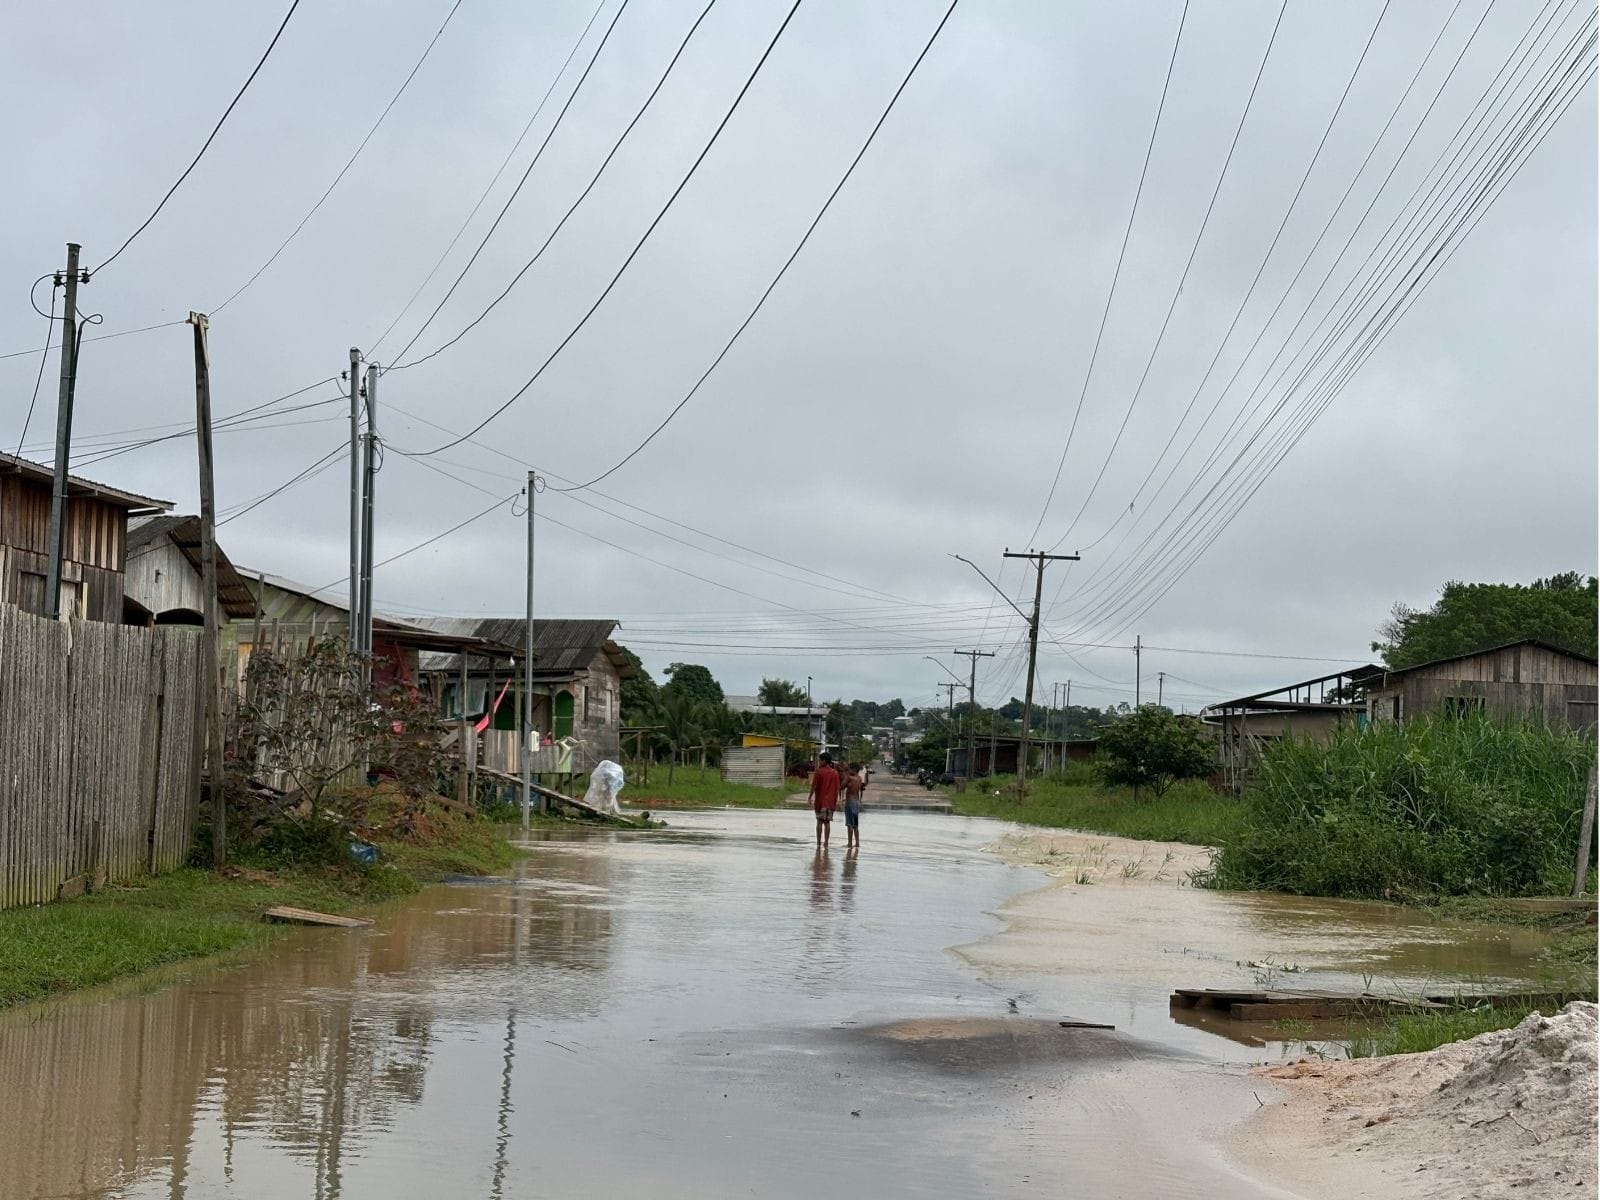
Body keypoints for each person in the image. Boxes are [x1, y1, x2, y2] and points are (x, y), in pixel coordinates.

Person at [808, 753, 840, 849]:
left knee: (819, 822)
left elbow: (814, 786)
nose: (819, 762)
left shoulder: (819, 772)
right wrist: (836, 800)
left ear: (824, 761)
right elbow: (837, 788)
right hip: (830, 802)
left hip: (820, 801)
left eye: (820, 760)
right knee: (827, 822)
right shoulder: (835, 773)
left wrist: (810, 797)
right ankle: (826, 842)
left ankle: (818, 842)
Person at [842, 760, 865, 850]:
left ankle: (850, 843)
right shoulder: (859, 779)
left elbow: (842, 786)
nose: (848, 771)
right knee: (855, 825)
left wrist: (846, 778)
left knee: (849, 825)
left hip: (850, 803)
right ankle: (857, 843)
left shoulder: (850, 778)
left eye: (849, 769)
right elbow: (858, 791)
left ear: (853, 770)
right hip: (856, 803)